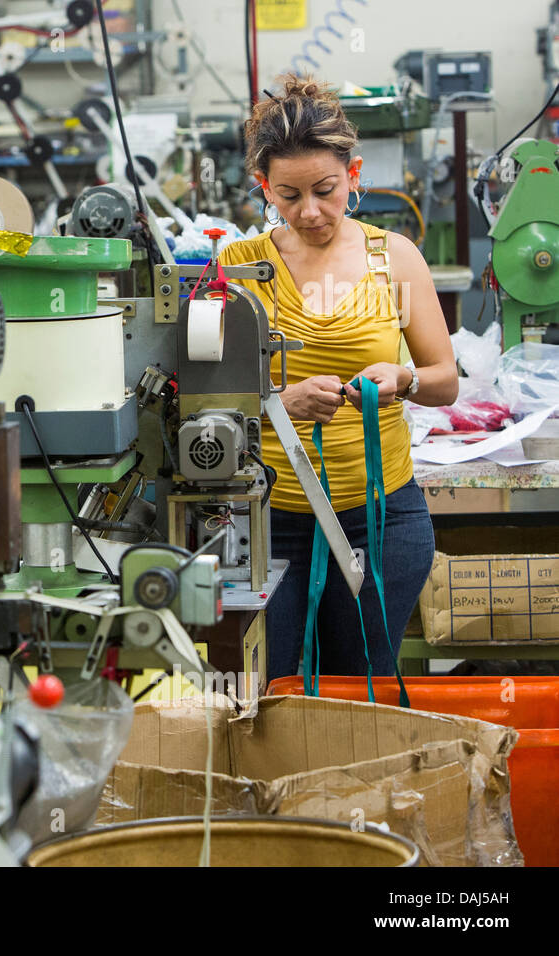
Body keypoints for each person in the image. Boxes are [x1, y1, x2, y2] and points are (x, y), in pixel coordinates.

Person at [218, 73, 458, 684]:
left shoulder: (393, 257)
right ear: (262, 189)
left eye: (325, 190)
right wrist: (276, 400)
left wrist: (402, 379)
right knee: (262, 690)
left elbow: (444, 380)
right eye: (288, 195)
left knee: (359, 688)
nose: (310, 212)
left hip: (379, 519)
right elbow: (193, 395)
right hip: (265, 520)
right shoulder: (237, 268)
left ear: (353, 175)